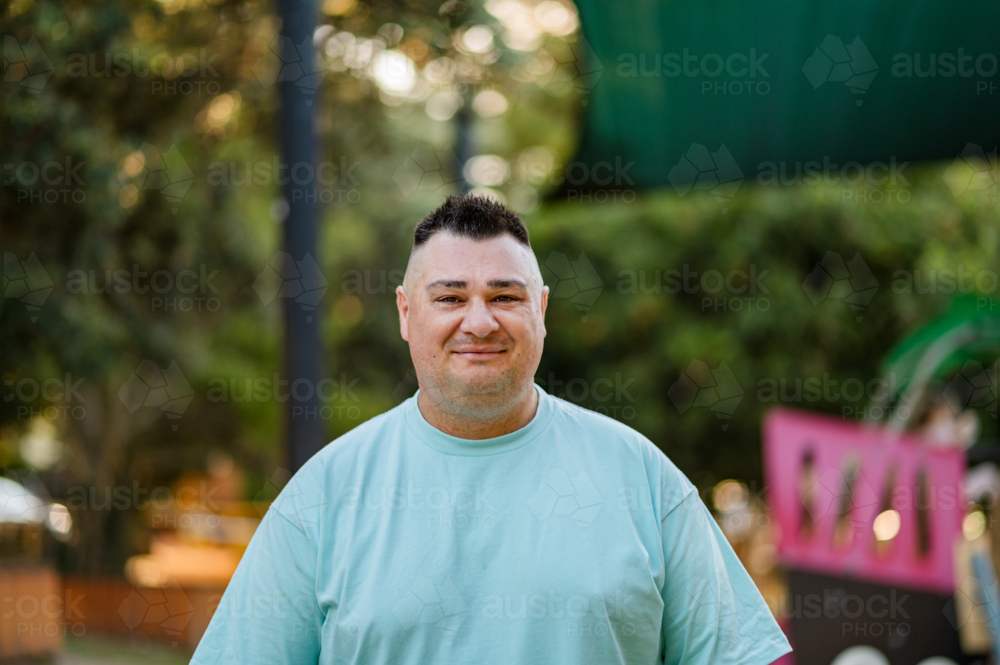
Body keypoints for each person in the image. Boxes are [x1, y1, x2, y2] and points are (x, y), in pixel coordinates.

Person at [190, 194, 793, 664]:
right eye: (450, 298)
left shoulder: (641, 477)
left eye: (504, 295)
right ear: (406, 313)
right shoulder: (324, 495)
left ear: (542, 310)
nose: (479, 322)